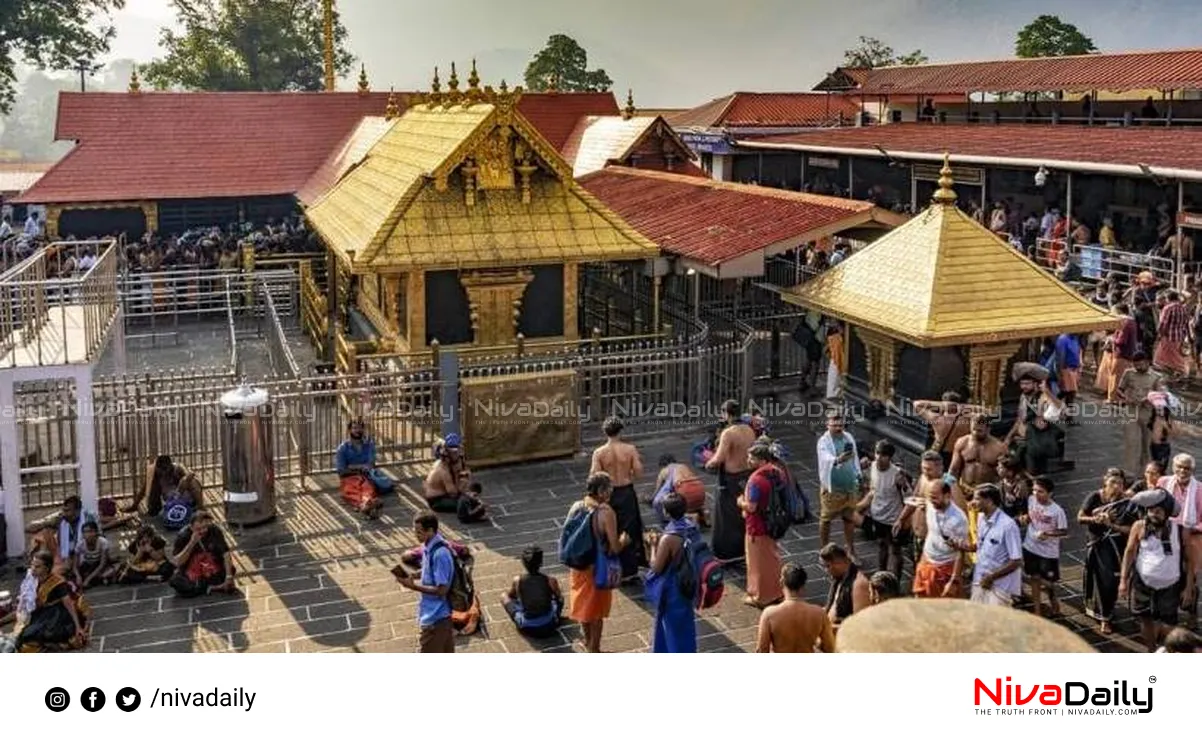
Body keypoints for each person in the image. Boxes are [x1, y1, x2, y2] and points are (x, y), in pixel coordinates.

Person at [1120, 489, 1197, 651]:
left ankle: (1168, 649)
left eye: (1158, 511)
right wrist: (1123, 581)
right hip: (1143, 584)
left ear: (1167, 513)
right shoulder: (1139, 526)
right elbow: (1129, 552)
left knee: (1168, 622)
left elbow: (1190, 561)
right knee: (1145, 619)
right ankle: (1150, 650)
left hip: (1171, 585)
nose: (1153, 514)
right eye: (1150, 511)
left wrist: (1189, 588)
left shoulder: (1180, 530)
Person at [567, 473, 626, 653]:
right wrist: (625, 539)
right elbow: (614, 547)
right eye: (609, 488)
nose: (611, 492)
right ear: (601, 491)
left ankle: (587, 642)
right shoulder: (606, 512)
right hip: (597, 567)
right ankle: (594, 649)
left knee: (583, 608)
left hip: (578, 566)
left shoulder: (576, 506)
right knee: (596, 614)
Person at [589, 416, 646, 581]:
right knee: (629, 530)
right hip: (626, 492)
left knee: (609, 530)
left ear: (605, 432)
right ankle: (629, 569)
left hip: (609, 494)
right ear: (620, 430)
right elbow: (639, 472)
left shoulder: (599, 453)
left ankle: (612, 567)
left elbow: (594, 476)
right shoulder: (629, 449)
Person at [1079, 472, 1134, 635]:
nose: (1116, 486)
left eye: (1119, 483)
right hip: (1096, 544)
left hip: (1116, 546)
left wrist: (1111, 525)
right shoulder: (1094, 497)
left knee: (1110, 581)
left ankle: (1106, 613)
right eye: (1112, 482)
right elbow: (1080, 517)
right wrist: (1095, 519)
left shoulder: (1127, 503)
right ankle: (1104, 618)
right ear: (1105, 482)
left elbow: (1131, 528)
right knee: (1098, 580)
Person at [644, 493, 699, 653]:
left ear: (667, 513)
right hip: (688, 582)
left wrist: (653, 545)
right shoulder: (692, 526)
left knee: (672, 629)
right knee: (685, 626)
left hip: (673, 588)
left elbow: (656, 567)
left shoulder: (668, 538)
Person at [396, 512, 456, 653]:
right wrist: (414, 575)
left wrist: (414, 586)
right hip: (438, 616)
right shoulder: (429, 547)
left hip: (436, 617)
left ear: (431, 530)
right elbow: (430, 570)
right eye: (415, 531)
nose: (416, 535)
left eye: (419, 532)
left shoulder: (440, 554)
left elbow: (442, 590)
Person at [950, 414, 1007, 562]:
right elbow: (953, 471)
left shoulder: (999, 448)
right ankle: (966, 563)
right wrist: (949, 491)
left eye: (980, 430)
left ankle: (982, 560)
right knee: (961, 530)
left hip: (986, 497)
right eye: (974, 429)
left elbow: (1005, 474)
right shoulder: (962, 443)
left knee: (982, 531)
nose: (976, 433)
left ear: (988, 429)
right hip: (964, 493)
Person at [955, 485, 1023, 606]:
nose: (973, 502)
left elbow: (1016, 561)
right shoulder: (981, 518)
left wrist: (991, 577)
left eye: (977, 499)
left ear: (989, 501)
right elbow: (980, 545)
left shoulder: (1008, 526)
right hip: (980, 579)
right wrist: (964, 547)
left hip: (999, 586)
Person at [705, 401, 756, 561]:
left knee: (726, 517)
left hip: (731, 479)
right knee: (741, 515)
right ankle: (744, 548)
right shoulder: (749, 429)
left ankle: (727, 553)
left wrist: (707, 462)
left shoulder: (729, 433)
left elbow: (718, 458)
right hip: (747, 475)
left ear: (727, 414)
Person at [12, 551, 92, 653]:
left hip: (57, 614)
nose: (33, 568)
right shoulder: (32, 580)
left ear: (46, 568)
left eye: (37, 566)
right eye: (32, 565)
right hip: (41, 612)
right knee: (25, 636)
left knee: (44, 634)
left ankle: (51, 646)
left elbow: (69, 605)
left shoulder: (57, 582)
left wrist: (78, 627)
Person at [739, 444, 785, 608]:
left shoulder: (755, 480)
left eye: (752, 458)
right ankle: (778, 591)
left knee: (757, 562)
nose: (748, 460)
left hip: (757, 526)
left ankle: (761, 596)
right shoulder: (777, 472)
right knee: (772, 558)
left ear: (762, 460)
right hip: (774, 522)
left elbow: (751, 507)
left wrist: (740, 502)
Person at [1158, 453, 1202, 625]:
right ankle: (1168, 612)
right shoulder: (1163, 482)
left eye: (1187, 468)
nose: (1183, 471)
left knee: (1189, 575)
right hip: (1166, 533)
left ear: (1192, 470)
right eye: (1179, 467)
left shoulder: (1199, 489)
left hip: (1191, 535)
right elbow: (1157, 506)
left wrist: (1190, 528)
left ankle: (1191, 613)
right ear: (1173, 468)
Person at [857, 440, 911, 579]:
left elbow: (908, 496)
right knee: (881, 545)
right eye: (877, 453)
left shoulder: (897, 474)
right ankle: (880, 575)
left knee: (896, 550)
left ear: (890, 457)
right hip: (878, 516)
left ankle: (896, 580)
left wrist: (904, 519)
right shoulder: (872, 467)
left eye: (883, 455)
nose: (879, 457)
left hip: (894, 518)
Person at [755, 563, 836, 653]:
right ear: (803, 585)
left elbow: (762, 649)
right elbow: (829, 648)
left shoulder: (769, 614)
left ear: (782, 582)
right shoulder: (819, 613)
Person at [911, 479, 969, 598]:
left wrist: (954, 580)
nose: (932, 501)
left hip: (945, 566)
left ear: (947, 496)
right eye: (930, 497)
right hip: (926, 560)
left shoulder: (958, 519)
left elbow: (961, 551)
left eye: (935, 498)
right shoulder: (930, 505)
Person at [1021, 475, 1069, 616]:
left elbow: (1064, 531)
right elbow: (1029, 516)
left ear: (1050, 493)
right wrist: (1025, 518)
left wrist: (1048, 534)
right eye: (1034, 490)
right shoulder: (1030, 500)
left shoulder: (1057, 511)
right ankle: (1037, 610)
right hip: (1030, 546)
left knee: (1049, 582)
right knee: (1034, 578)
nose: (1036, 494)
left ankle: (1053, 597)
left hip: (1048, 552)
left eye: (1040, 491)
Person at [816, 412, 860, 559]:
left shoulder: (849, 437)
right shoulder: (823, 441)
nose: (838, 428)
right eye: (834, 425)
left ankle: (851, 549)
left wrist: (858, 473)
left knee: (849, 518)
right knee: (826, 518)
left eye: (840, 425)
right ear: (827, 425)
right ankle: (824, 550)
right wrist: (837, 460)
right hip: (832, 487)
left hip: (849, 485)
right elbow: (825, 458)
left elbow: (855, 457)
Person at [1116, 353, 1165, 476]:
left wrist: (1149, 399)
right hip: (1131, 411)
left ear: (1147, 362)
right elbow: (1119, 390)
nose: (1138, 367)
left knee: (1147, 444)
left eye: (1140, 364)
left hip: (1147, 413)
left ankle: (1146, 472)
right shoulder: (1128, 373)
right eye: (1135, 365)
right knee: (1131, 443)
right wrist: (1125, 398)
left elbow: (1161, 396)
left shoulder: (1156, 377)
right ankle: (1129, 472)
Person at [124, 455, 203, 530]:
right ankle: (155, 509)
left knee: (193, 481)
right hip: (171, 500)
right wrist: (135, 505)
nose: (163, 472)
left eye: (165, 469)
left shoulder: (178, 468)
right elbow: (144, 488)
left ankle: (200, 508)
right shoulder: (155, 474)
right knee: (151, 483)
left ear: (170, 465)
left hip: (184, 496)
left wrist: (184, 482)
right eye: (160, 469)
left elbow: (191, 475)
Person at [169, 511, 237, 597]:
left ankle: (203, 587)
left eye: (205, 527)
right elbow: (177, 562)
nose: (203, 531)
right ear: (191, 527)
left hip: (212, 569)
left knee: (231, 569)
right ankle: (212, 587)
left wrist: (229, 576)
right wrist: (191, 543)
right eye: (198, 529)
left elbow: (226, 553)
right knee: (175, 581)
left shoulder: (214, 530)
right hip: (192, 572)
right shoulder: (183, 536)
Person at [24, 495, 97, 574]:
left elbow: (95, 540)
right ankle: (41, 563)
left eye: (68, 511)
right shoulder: (61, 517)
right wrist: (48, 523)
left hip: (83, 555)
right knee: (42, 534)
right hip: (63, 555)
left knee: (54, 572)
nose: (65, 513)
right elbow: (28, 528)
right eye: (64, 510)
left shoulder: (89, 517)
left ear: (77, 511)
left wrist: (73, 556)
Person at [502, 545, 562, 638]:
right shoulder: (551, 580)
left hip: (528, 627)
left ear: (523, 563)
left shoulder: (517, 580)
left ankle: (521, 620)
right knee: (557, 600)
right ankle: (556, 618)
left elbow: (511, 596)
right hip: (550, 625)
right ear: (541, 563)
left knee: (504, 596)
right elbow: (560, 599)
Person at [338, 420, 387, 519]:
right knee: (349, 491)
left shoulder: (369, 444)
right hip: (349, 476)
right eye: (354, 428)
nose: (357, 430)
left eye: (360, 428)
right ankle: (367, 505)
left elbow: (371, 464)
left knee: (368, 489)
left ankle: (366, 505)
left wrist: (352, 466)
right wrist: (360, 467)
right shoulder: (342, 448)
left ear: (363, 430)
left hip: (366, 475)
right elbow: (342, 470)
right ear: (349, 430)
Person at [914, 392, 974, 470]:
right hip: (958, 455)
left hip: (940, 453)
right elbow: (986, 411)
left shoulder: (937, 419)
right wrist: (964, 407)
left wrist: (940, 404)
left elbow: (916, 404)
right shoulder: (967, 420)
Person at [819, 543, 870, 628]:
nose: (828, 570)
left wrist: (829, 628)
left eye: (832, 565)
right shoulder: (839, 577)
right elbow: (833, 605)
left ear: (846, 561)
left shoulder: (859, 585)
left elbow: (860, 623)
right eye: (826, 566)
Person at [424, 433, 470, 514]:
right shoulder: (443, 470)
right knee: (466, 503)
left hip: (447, 493)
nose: (457, 454)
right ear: (446, 453)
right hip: (438, 500)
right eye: (453, 452)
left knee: (470, 497)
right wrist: (463, 482)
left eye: (457, 451)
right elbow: (453, 493)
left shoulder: (454, 461)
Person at [72, 522, 114, 590]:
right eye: (84, 532)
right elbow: (75, 566)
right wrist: (78, 576)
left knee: (104, 573)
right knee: (75, 576)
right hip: (88, 565)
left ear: (96, 532)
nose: (87, 535)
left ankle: (101, 577)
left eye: (90, 531)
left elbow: (102, 564)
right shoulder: (80, 544)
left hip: (99, 565)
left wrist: (88, 579)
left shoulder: (103, 542)